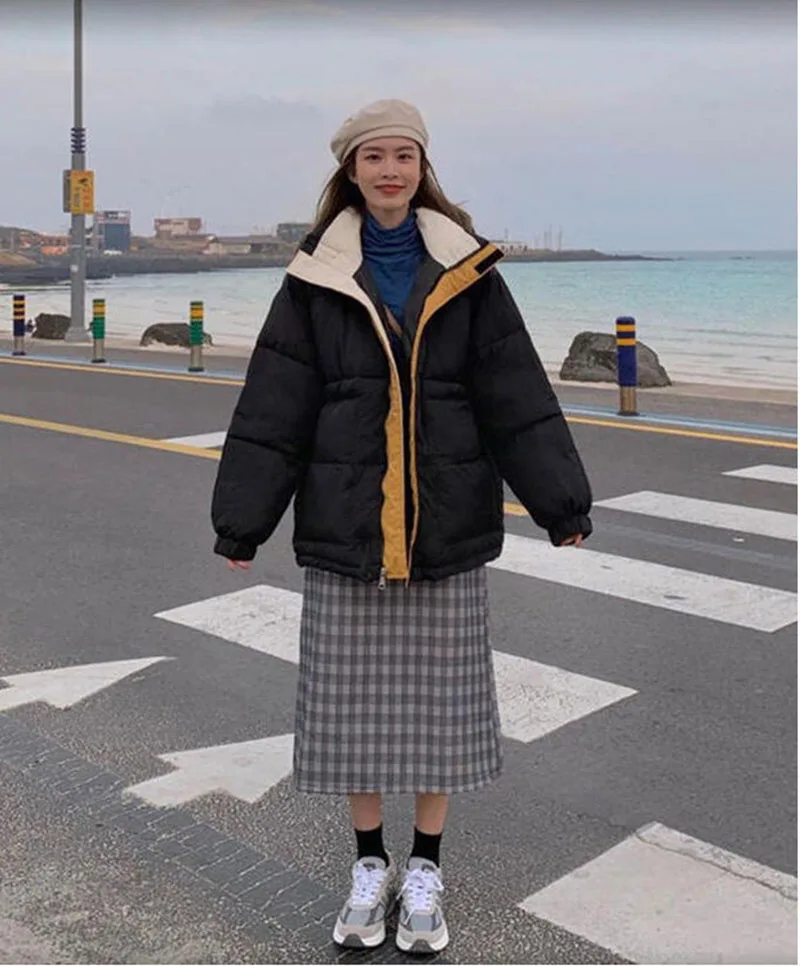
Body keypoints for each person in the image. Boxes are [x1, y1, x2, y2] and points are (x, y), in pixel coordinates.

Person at [211, 98, 592, 954]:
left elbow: (516, 397)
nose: (390, 171)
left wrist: (560, 502)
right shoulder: (315, 277)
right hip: (348, 534)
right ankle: (367, 865)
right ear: (349, 171)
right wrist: (242, 522)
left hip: (443, 534)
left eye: (404, 157)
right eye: (374, 157)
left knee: (439, 715)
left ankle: (425, 869)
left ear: (424, 169)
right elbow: (274, 408)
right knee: (351, 716)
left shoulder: (468, 271)